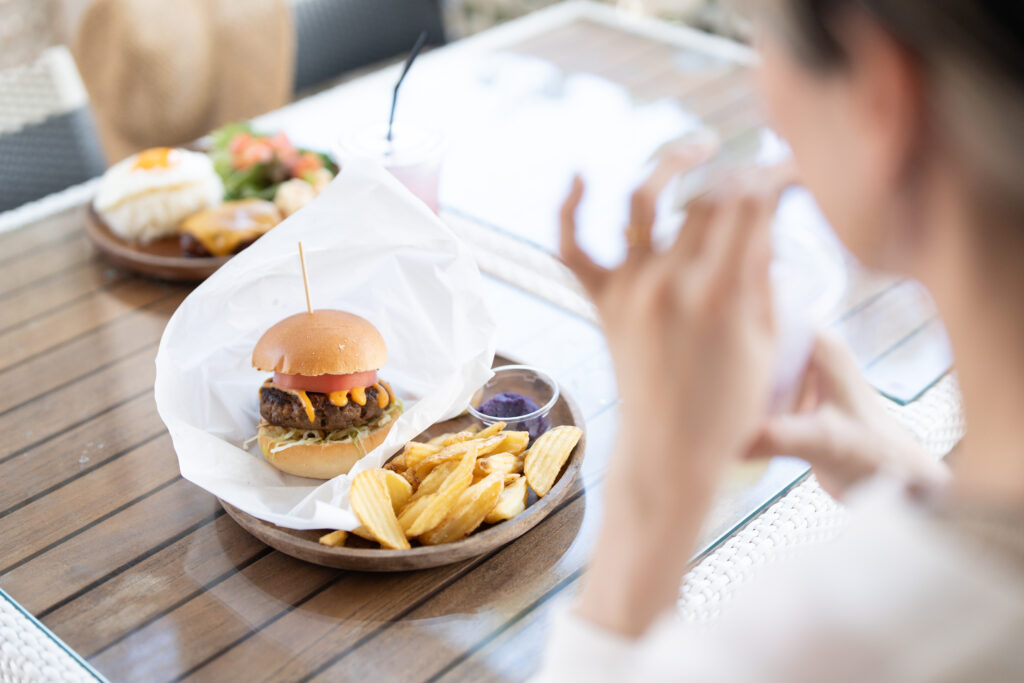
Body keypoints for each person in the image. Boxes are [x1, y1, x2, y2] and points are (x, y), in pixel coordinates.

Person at [536, 1, 1024, 680]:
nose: (761, 91)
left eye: (757, 33)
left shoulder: (832, 647)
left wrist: (653, 484)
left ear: (881, 98)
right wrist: (920, 489)